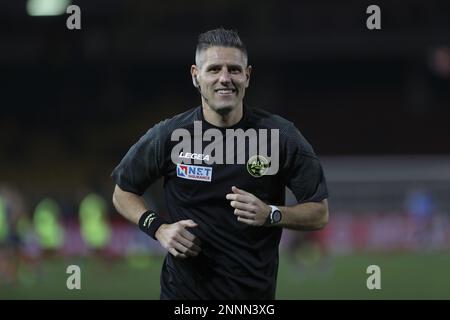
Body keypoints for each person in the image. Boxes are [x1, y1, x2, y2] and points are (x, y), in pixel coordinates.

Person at [111, 27, 329, 300]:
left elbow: (320, 212)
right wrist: (158, 228)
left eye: (234, 70)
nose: (225, 78)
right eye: (214, 69)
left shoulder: (281, 136)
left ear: (247, 76)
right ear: (196, 76)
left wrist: (272, 214)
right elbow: (123, 192)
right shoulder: (168, 136)